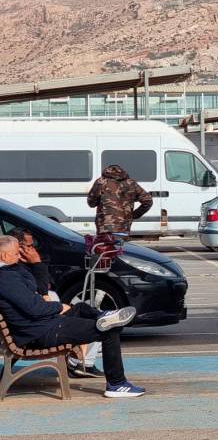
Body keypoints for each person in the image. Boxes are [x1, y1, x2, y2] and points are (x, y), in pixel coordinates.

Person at [0, 236, 146, 398]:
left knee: (81, 308)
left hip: (42, 325)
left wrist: (35, 263)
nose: (19, 255)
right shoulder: (6, 279)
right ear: (4, 257)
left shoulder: (9, 272)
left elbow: (37, 288)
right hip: (41, 332)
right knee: (109, 330)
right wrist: (60, 307)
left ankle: (104, 316)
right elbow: (35, 308)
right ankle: (116, 384)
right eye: (15, 253)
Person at [8, 228, 103, 378]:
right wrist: (37, 264)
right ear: (18, 248)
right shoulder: (12, 272)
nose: (33, 249)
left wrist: (37, 264)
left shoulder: (22, 266)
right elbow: (42, 292)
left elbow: (46, 287)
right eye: (29, 246)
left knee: (90, 313)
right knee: (95, 323)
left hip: (39, 318)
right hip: (38, 326)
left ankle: (83, 362)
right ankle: (78, 363)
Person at [87, 165, 153, 235]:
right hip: (124, 226)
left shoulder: (101, 182)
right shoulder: (131, 183)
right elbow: (148, 201)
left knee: (105, 245)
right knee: (121, 245)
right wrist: (134, 215)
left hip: (105, 227)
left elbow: (91, 203)